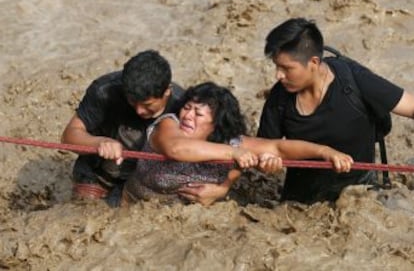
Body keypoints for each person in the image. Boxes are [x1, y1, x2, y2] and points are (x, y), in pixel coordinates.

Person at [258, 17, 414, 204]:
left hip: (358, 194)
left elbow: (411, 107)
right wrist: (267, 164)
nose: (278, 75)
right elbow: (263, 148)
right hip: (300, 202)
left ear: (314, 63)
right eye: (276, 66)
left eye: (286, 68)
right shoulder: (279, 98)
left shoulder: (354, 80)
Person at [123, 82, 354, 206]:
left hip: (189, 217)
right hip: (135, 206)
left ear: (216, 124)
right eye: (187, 108)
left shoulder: (233, 142)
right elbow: (177, 149)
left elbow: (278, 148)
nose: (187, 117)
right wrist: (234, 153)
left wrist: (325, 151)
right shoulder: (167, 125)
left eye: (198, 114)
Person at [61, 50, 184, 205]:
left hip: (148, 179)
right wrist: (99, 143)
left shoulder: (183, 107)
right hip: (99, 173)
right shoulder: (104, 91)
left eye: (147, 105)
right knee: (85, 209)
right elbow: (68, 136)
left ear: (167, 91)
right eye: (132, 101)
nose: (139, 111)